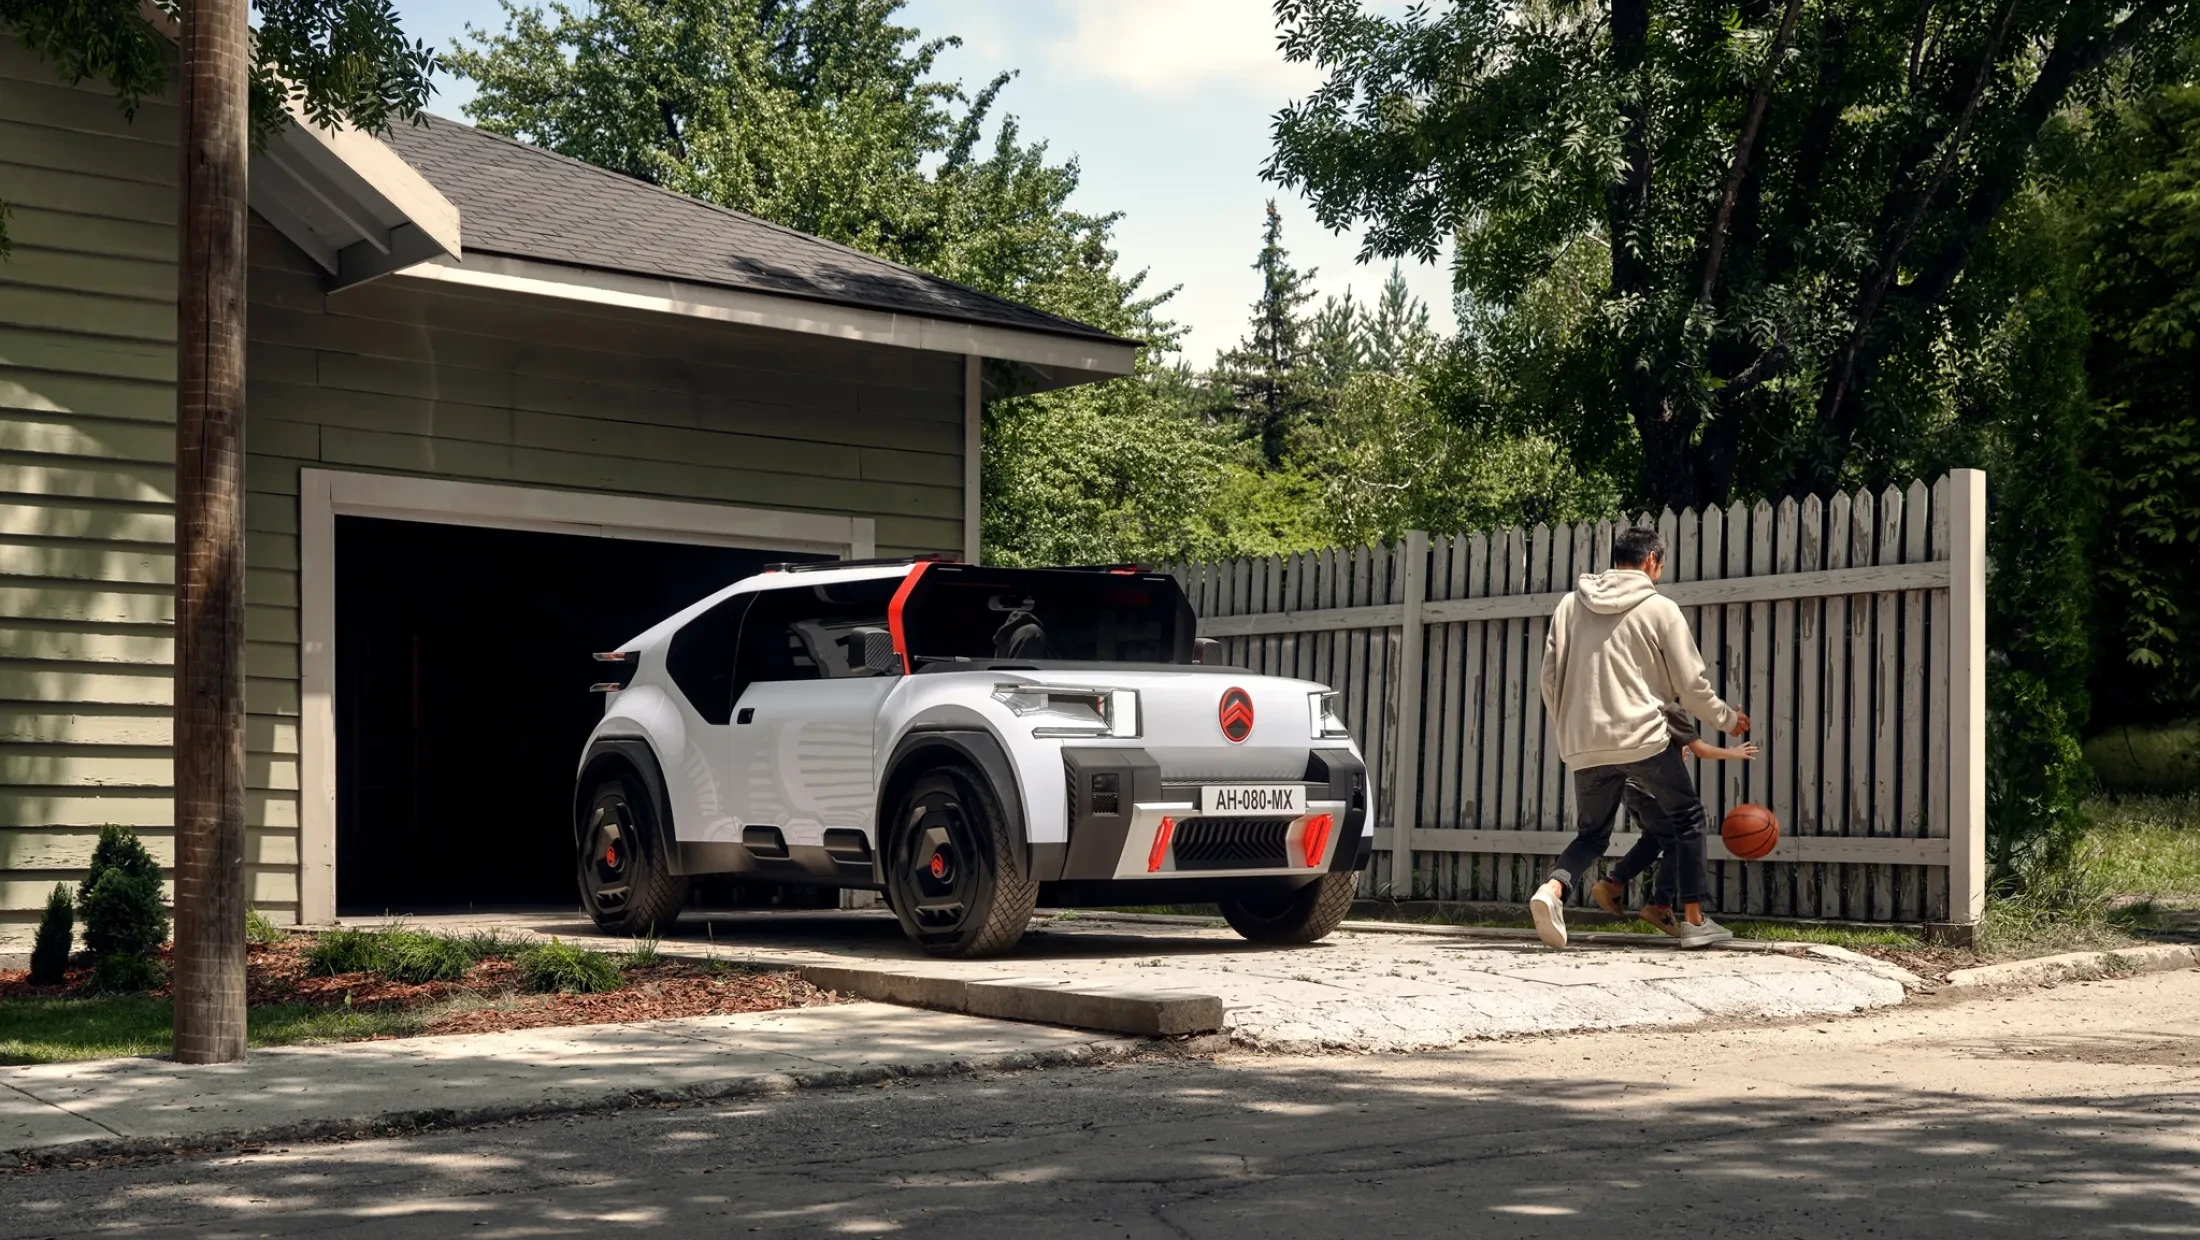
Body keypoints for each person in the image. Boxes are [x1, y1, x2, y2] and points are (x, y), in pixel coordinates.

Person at [1530, 526, 1749, 950]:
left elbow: (1549, 678)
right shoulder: (1660, 608)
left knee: (1592, 836)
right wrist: (1726, 719)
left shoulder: (1569, 605)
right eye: (1660, 565)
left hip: (1583, 740)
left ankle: (1553, 890)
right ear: (1651, 561)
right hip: (1642, 738)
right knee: (1687, 819)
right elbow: (1690, 683)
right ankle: (1694, 920)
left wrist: (1572, 727)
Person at [1588, 705, 1759, 937]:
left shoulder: (1641, 707)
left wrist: (1726, 714)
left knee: (1653, 839)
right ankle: (1659, 905)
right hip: (1651, 791)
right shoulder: (1670, 709)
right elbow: (1702, 749)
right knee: (1680, 842)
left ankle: (1614, 881)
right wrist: (1734, 752)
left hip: (1630, 788)